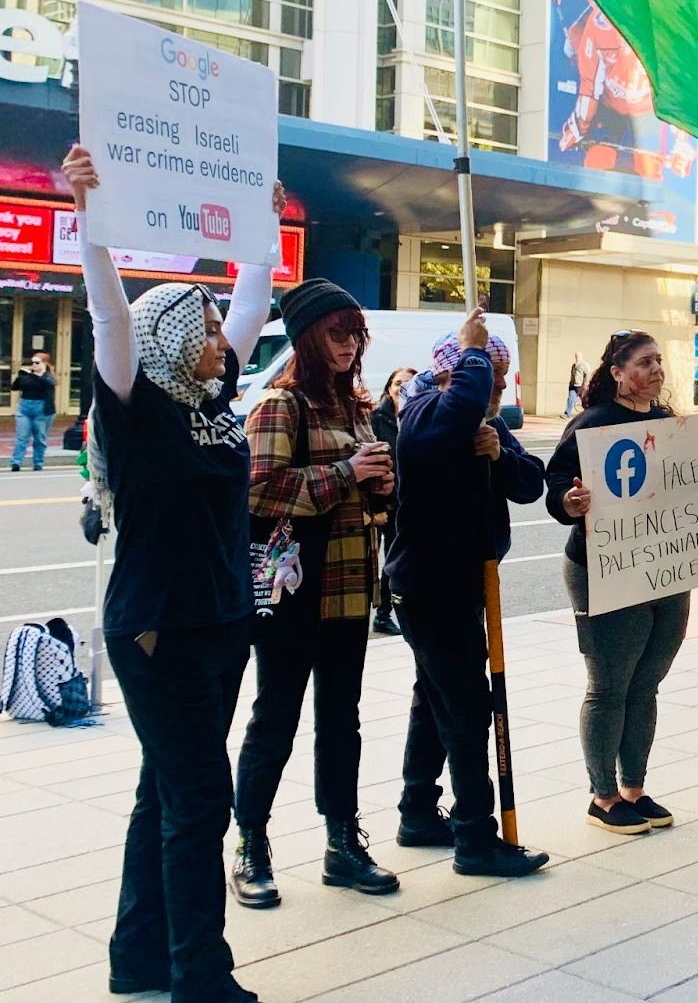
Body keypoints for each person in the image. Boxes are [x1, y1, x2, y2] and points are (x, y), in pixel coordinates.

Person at [65, 144, 280, 1003]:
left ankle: (137, 958)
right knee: (200, 803)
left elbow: (256, 299)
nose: (221, 336)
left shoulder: (213, 402)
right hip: (158, 629)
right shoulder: (136, 405)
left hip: (223, 620)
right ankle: (201, 978)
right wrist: (91, 217)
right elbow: (112, 318)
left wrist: (259, 228)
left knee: (166, 789)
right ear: (173, 340)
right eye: (204, 325)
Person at [231, 279, 398, 908]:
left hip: (352, 586)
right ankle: (250, 843)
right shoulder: (281, 405)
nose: (350, 345)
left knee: (341, 719)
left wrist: (382, 485)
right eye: (337, 332)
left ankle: (341, 843)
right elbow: (256, 491)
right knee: (275, 714)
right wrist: (347, 472)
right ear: (307, 336)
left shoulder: (355, 407)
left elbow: (371, 494)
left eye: (356, 333)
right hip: (294, 587)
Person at [545, 330, 698, 833]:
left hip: (664, 569)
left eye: (660, 360)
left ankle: (634, 788)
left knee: (647, 682)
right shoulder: (591, 426)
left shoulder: (670, 424)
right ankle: (603, 796)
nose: (656, 370)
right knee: (610, 685)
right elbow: (554, 491)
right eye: (644, 362)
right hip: (604, 572)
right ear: (617, 373)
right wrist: (571, 504)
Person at [388, 312, 551, 874]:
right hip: (428, 587)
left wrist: (499, 454)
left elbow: (532, 482)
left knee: (432, 701)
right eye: (490, 379)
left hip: (464, 585)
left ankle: (417, 811)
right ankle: (475, 837)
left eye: (502, 384)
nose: (497, 392)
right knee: (465, 709)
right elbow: (455, 410)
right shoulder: (427, 413)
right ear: (452, 374)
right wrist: (473, 352)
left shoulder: (483, 423)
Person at [369, 367, 414, 636]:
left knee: (394, 561)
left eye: (408, 383)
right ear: (388, 388)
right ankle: (379, 611)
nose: (402, 388)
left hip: (406, 504)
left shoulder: (418, 416)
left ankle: (384, 613)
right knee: (374, 560)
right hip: (380, 504)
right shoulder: (376, 418)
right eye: (398, 383)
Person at [9, 349, 55, 471]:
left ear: (44, 363)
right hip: (24, 407)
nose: (34, 365)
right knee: (21, 437)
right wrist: (20, 376)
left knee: (40, 438)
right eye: (33, 362)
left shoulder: (48, 377)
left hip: (42, 409)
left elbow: (49, 384)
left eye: (37, 362)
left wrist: (37, 375)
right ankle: (16, 462)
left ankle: (38, 463)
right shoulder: (27, 375)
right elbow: (14, 387)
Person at [564, 350, 590, 418]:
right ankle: (567, 414)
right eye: (576, 355)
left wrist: (585, 385)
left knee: (584, 400)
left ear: (581, 356)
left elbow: (587, 375)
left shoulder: (584, 364)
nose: (577, 357)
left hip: (580, 386)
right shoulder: (574, 365)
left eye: (578, 355)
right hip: (573, 386)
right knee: (570, 399)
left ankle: (588, 414)